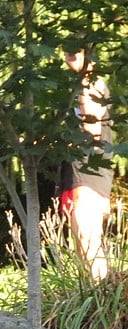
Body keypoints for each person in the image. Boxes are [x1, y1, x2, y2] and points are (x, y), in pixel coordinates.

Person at [60, 48, 114, 282]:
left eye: (76, 50)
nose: (70, 54)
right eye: (66, 50)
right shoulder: (78, 84)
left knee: (86, 231)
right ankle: (92, 289)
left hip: (91, 165)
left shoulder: (90, 84)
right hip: (76, 166)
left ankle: (101, 291)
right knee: (79, 234)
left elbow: (92, 128)